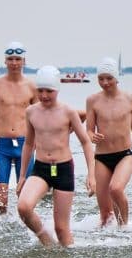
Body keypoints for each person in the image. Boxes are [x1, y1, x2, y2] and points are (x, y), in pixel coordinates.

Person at [16, 66, 95, 247]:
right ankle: (46, 241)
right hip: (41, 169)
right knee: (24, 207)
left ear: (57, 89)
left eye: (49, 91)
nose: (44, 95)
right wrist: (22, 176)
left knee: (62, 229)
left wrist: (91, 174)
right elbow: (29, 144)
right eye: (40, 91)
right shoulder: (31, 112)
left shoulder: (67, 112)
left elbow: (85, 141)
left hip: (63, 169)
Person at [86, 57, 132, 226]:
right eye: (101, 79)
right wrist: (91, 135)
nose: (105, 82)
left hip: (124, 155)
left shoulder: (131, 99)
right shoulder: (92, 101)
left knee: (116, 189)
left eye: (109, 78)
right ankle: (108, 240)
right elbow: (89, 130)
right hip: (102, 158)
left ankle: (124, 229)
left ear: (117, 78)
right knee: (105, 215)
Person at [0, 41, 37, 214]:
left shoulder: (32, 86)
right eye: (10, 59)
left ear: (24, 61)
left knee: (25, 197)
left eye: (18, 59)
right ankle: (2, 229)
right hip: (1, 145)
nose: (14, 63)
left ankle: (25, 228)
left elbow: (39, 119)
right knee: (1, 202)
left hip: (26, 144)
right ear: (5, 61)